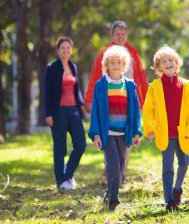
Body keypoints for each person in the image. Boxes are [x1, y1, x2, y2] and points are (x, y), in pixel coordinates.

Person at [84, 20, 148, 181]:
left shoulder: (133, 53)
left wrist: (146, 98)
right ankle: (111, 171)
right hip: (110, 102)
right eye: (117, 34)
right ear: (112, 35)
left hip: (129, 101)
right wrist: (89, 99)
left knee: (128, 137)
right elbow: (95, 78)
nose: (121, 37)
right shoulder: (105, 54)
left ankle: (122, 171)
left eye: (123, 34)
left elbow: (141, 77)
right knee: (109, 135)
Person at [142, 45, 189, 211]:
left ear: (177, 63)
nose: (168, 63)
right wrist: (150, 128)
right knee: (167, 167)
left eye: (171, 60)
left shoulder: (185, 86)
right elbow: (149, 109)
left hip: (182, 133)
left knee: (184, 162)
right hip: (165, 134)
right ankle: (170, 201)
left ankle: (177, 189)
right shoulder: (155, 87)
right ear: (159, 67)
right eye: (163, 61)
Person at [88, 45, 142, 211]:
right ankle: (113, 199)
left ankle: (109, 194)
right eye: (112, 62)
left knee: (121, 165)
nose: (116, 65)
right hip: (108, 133)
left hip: (123, 133)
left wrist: (136, 132)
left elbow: (135, 111)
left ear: (124, 64)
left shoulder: (130, 85)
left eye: (119, 62)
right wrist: (96, 134)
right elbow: (95, 111)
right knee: (113, 164)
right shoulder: (101, 85)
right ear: (107, 65)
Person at [44, 36, 87, 190]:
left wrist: (82, 105)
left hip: (74, 110)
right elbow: (47, 92)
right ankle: (61, 181)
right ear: (58, 50)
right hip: (58, 112)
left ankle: (68, 174)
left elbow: (77, 90)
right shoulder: (52, 68)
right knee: (60, 148)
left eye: (68, 47)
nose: (66, 50)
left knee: (81, 144)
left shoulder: (73, 67)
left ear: (71, 49)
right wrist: (48, 114)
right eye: (62, 48)